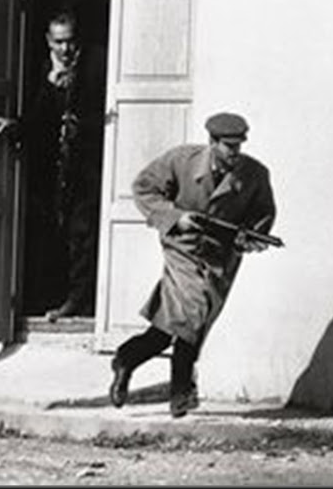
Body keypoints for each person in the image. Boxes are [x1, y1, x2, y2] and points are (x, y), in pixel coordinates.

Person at [109, 112, 277, 418]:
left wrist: (251, 239)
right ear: (211, 142)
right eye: (228, 146)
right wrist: (175, 217)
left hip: (220, 258)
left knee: (169, 328)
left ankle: (126, 359)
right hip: (182, 248)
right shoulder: (181, 160)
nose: (235, 153)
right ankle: (181, 392)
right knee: (195, 311)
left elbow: (263, 214)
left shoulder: (254, 174)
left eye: (239, 146)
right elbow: (143, 188)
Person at [24, 10, 106, 322]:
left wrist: (82, 125)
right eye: (58, 42)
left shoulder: (97, 64)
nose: (65, 49)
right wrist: (51, 84)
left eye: (70, 41)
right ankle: (50, 297)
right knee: (53, 233)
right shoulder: (46, 67)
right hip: (55, 169)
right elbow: (38, 119)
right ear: (48, 41)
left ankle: (79, 302)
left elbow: (107, 113)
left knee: (82, 234)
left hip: (88, 167)